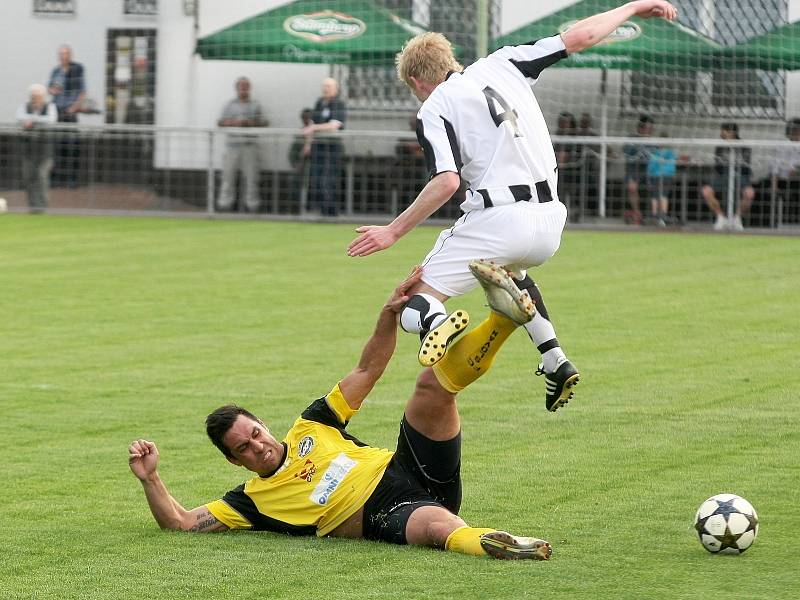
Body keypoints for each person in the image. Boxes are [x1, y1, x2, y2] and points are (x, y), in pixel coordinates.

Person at [347, 1, 679, 412]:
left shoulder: (432, 108)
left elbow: (447, 181)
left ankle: (435, 324)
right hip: (550, 222)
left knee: (414, 298)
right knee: (514, 275)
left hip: (499, 218)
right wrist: (631, 7)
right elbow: (582, 36)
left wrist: (393, 231)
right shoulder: (504, 62)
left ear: (416, 80)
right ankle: (554, 358)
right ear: (450, 60)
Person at [128, 264, 553, 560]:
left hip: (407, 467)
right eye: (244, 448)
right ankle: (505, 544)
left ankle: (504, 318)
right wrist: (151, 478)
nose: (257, 447)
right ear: (233, 460)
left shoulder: (313, 423)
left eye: (255, 433)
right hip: (383, 511)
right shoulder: (249, 503)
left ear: (262, 424)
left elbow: (367, 370)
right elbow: (182, 523)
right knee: (440, 530)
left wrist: (388, 314)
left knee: (432, 388)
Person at [217, 77, 267, 212]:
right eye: (241, 87)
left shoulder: (256, 105)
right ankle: (225, 204)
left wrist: (249, 123)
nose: (244, 89)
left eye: (246, 87)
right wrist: (235, 123)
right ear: (237, 88)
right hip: (232, 145)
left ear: (249, 88)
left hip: (249, 145)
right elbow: (220, 122)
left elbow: (264, 123)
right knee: (228, 176)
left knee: (252, 177)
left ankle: (252, 205)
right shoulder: (229, 105)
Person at [303, 77, 347, 216]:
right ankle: (321, 211)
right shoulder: (319, 102)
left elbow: (334, 126)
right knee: (316, 179)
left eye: (328, 86)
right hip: (318, 147)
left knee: (328, 180)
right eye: (324, 86)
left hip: (332, 148)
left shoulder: (338, 103)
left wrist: (315, 128)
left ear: (336, 89)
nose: (325, 89)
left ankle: (331, 213)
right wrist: (308, 144)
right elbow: (312, 125)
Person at [700, 122, 754, 231]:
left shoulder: (744, 147)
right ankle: (720, 217)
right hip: (723, 175)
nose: (721, 133)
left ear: (732, 132)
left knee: (749, 193)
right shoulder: (720, 147)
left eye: (723, 131)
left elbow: (746, 166)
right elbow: (718, 166)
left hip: (741, 175)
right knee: (706, 191)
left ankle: (737, 218)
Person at [47, 44, 86, 187]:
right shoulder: (56, 71)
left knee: (72, 145)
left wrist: (74, 107)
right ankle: (57, 179)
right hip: (57, 111)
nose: (64, 56)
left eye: (66, 53)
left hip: (70, 112)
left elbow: (83, 92)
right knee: (57, 146)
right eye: (61, 54)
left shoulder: (77, 70)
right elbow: (49, 90)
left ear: (70, 55)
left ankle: (72, 179)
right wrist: (53, 90)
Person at [16, 84, 57, 212]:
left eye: (38, 97)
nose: (35, 99)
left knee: (41, 176)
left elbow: (51, 120)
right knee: (28, 177)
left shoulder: (50, 106)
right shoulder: (24, 106)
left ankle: (42, 207)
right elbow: (19, 117)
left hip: (45, 152)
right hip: (28, 150)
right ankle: (32, 207)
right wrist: (34, 119)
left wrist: (32, 120)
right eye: (33, 96)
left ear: (43, 97)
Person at [623, 114, 654, 225]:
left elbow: (653, 155)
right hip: (634, 168)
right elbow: (626, 152)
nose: (649, 131)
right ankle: (636, 213)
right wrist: (638, 147)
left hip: (649, 169)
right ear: (640, 128)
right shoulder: (632, 138)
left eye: (651, 129)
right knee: (632, 188)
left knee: (656, 187)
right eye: (647, 128)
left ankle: (655, 215)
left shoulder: (652, 141)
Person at [646, 133, 677, 226]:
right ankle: (662, 215)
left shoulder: (655, 153)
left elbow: (650, 166)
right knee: (662, 195)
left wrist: (649, 176)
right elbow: (672, 167)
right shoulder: (670, 153)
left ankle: (656, 215)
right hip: (664, 176)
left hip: (658, 175)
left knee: (656, 195)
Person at [771, 118, 800, 217]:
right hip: (784, 181)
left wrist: (797, 170)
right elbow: (775, 168)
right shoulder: (782, 146)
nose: (797, 134)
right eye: (794, 131)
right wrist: (775, 185)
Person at [288, 108, 314, 208]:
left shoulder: (319, 132)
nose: (306, 120)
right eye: (304, 118)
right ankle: (296, 207)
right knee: (294, 180)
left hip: (314, 166)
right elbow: (292, 153)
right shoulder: (300, 134)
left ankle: (311, 207)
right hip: (301, 165)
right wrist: (296, 164)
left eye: (308, 118)